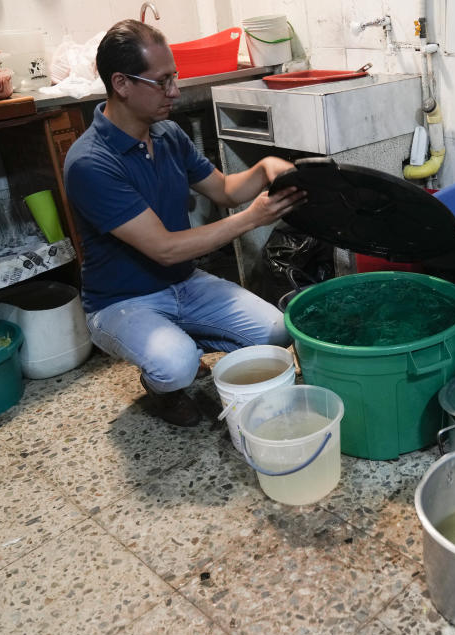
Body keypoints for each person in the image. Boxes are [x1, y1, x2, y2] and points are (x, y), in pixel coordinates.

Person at [64, 20, 305, 427]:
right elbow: (164, 247)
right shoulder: (90, 162)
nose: (174, 91)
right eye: (162, 81)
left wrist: (264, 168)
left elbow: (226, 189)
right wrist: (253, 217)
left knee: (276, 332)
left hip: (183, 283)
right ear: (121, 84)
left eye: (174, 77)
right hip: (121, 302)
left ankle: (180, 342)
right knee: (175, 365)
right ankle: (163, 381)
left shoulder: (169, 134)